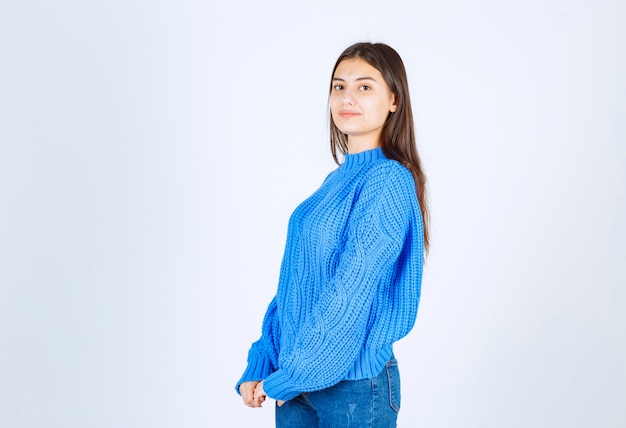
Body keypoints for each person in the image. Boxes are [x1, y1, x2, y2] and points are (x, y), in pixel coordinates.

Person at [235, 42, 430, 428]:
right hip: (296, 379)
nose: (347, 98)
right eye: (339, 87)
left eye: (364, 87)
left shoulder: (389, 180)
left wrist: (293, 372)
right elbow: (296, 285)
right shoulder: (334, 183)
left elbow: (352, 289)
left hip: (353, 387)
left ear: (394, 100)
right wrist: (263, 359)